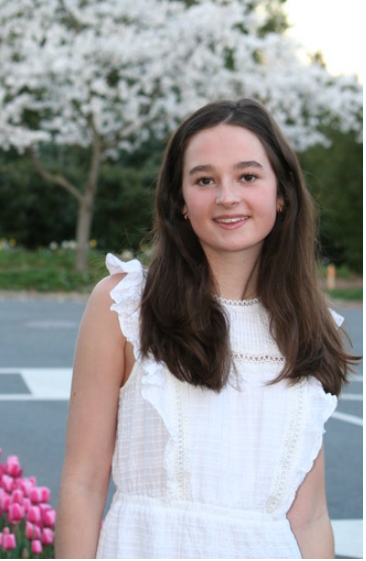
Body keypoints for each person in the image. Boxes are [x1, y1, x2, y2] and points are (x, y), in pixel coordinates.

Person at [55, 98, 358, 559]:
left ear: (281, 194)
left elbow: (310, 516)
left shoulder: (308, 328)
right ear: (180, 201)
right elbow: (83, 482)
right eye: (204, 180)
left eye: (248, 176)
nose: (227, 197)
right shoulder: (125, 306)